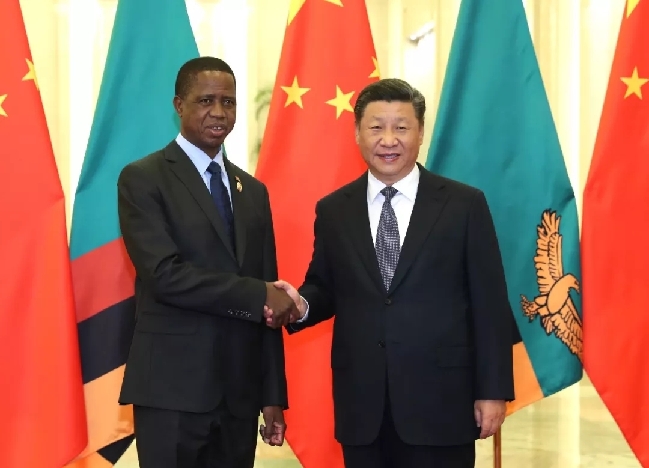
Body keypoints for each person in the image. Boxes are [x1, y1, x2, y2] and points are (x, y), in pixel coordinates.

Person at [266, 78, 515, 468]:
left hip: (442, 404)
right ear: (357, 133)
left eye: (401, 127)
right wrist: (301, 305)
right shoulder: (335, 210)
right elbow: (325, 286)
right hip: (363, 406)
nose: (388, 140)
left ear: (420, 133)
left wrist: (493, 391)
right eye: (376, 127)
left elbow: (490, 304)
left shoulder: (463, 205)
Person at [117, 56, 297, 468]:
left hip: (238, 396)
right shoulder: (143, 178)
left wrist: (272, 395)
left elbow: (268, 298)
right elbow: (165, 275)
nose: (219, 112)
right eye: (206, 101)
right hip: (171, 391)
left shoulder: (253, 191)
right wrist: (256, 294)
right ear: (179, 105)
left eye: (228, 102)